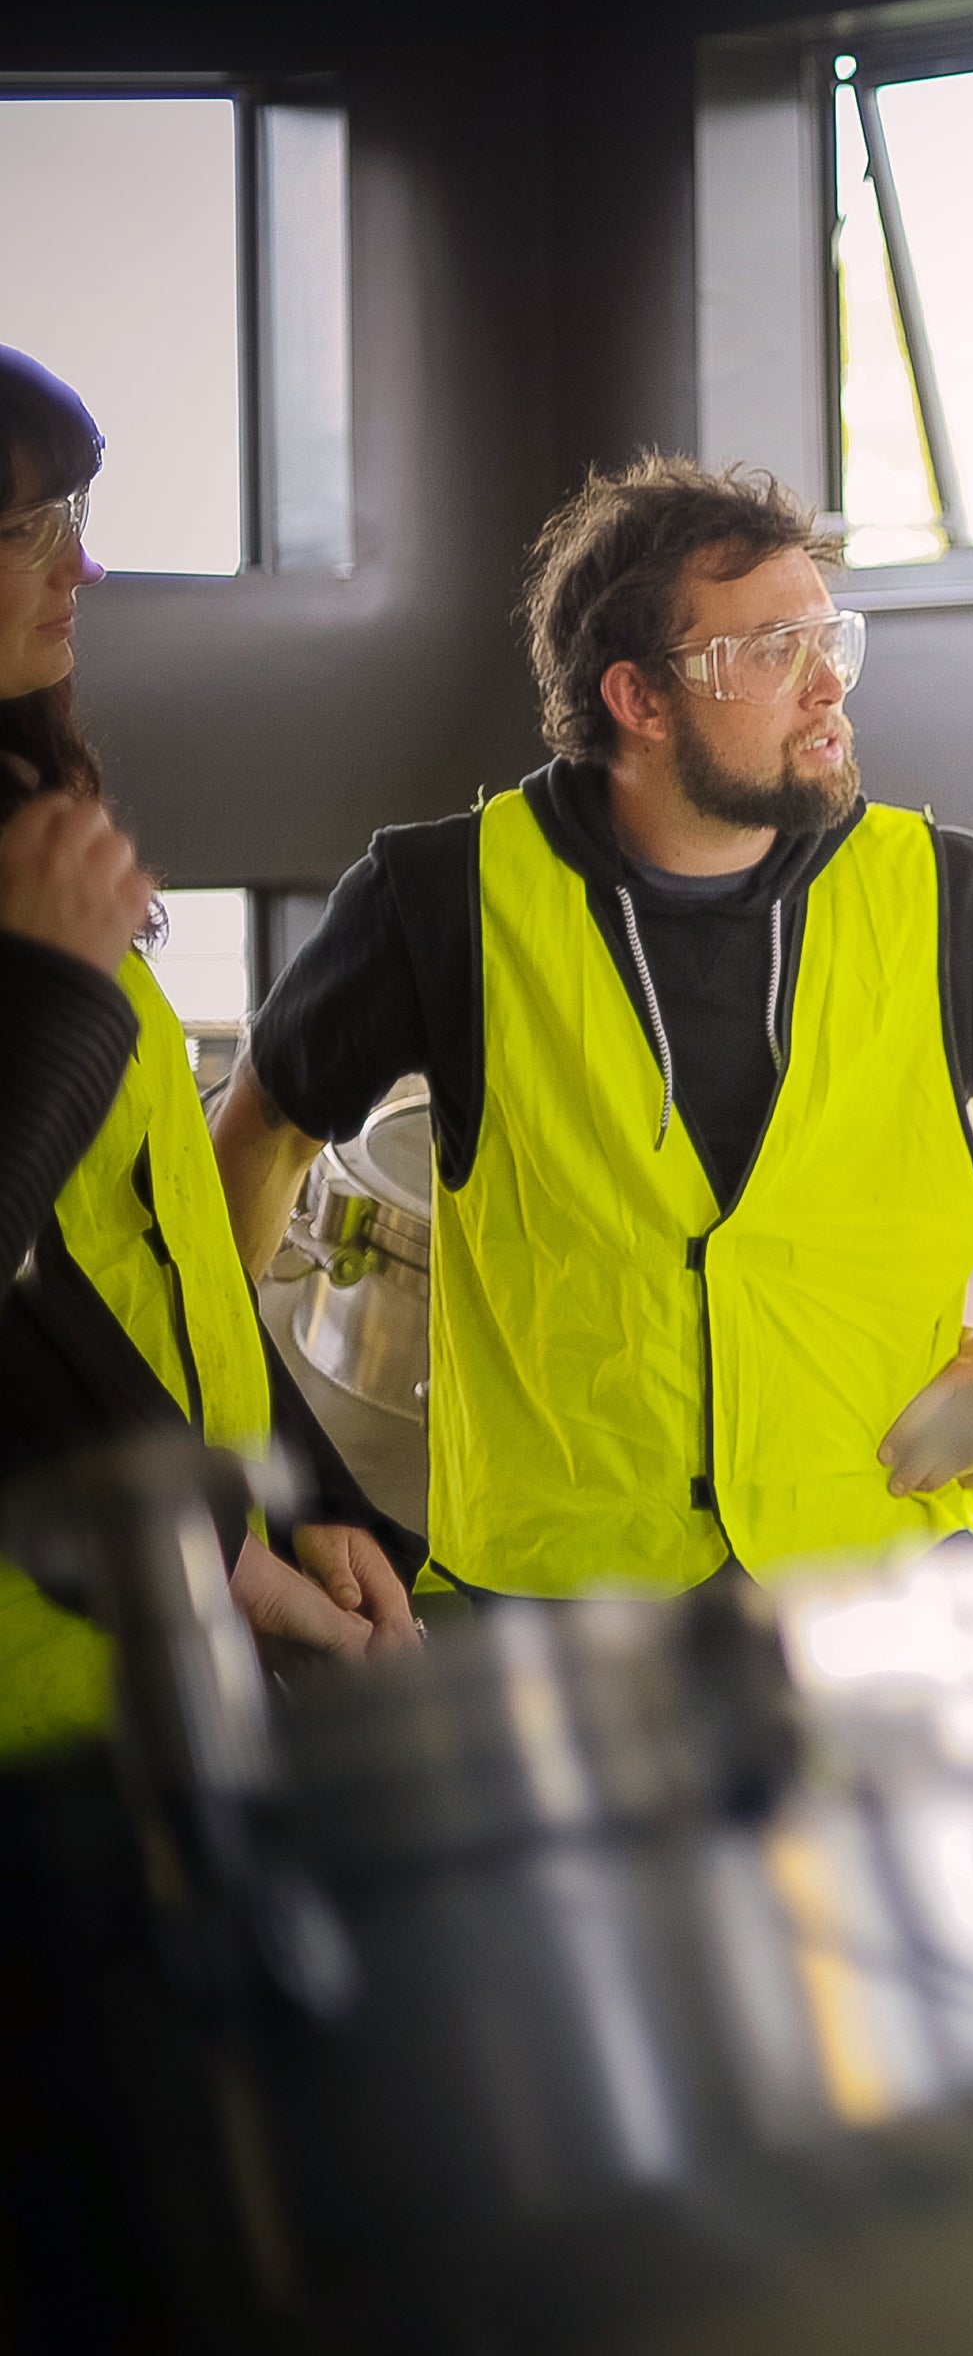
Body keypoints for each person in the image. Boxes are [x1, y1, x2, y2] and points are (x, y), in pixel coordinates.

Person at [211, 455, 973, 1600]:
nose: (827, 684)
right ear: (638, 701)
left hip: (888, 1602)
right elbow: (248, 1155)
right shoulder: (439, 898)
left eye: (827, 639)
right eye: (770, 650)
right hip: (557, 1614)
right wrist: (276, 1475)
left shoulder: (943, 899)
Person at [0, 344, 419, 1749]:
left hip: (165, 1658)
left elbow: (159, 1231)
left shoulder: (29, 821)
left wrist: (303, 1492)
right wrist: (229, 1541)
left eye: (80, 521)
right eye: (32, 530)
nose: (85, 572)